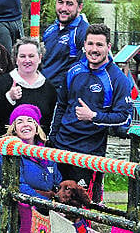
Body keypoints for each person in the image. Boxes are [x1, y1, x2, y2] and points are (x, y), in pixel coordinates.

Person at [48, 24, 132, 203]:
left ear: (109, 47)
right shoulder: (73, 71)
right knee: (55, 203)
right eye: (91, 44)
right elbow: (61, 105)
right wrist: (52, 139)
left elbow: (123, 117)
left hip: (89, 154)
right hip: (61, 148)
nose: (94, 49)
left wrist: (93, 116)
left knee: (82, 206)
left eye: (100, 45)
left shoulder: (118, 79)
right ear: (84, 45)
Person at [0, 104, 61, 233]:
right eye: (20, 121)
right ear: (13, 127)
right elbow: (17, 185)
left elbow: (57, 181)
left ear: (37, 126)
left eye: (30, 121)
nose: (26, 124)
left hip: (45, 217)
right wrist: (43, 202)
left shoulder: (47, 152)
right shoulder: (6, 152)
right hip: (21, 215)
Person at [0, 37, 57, 138]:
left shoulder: (49, 89)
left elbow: (50, 122)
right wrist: (9, 98)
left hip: (38, 149)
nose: (27, 60)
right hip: (7, 146)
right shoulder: (2, 82)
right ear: (16, 59)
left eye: (31, 56)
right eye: (22, 56)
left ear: (40, 58)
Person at [41, 0, 89, 91]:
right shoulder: (50, 30)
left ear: (80, 7)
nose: (63, 8)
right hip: (44, 92)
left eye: (69, 4)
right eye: (60, 2)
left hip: (65, 98)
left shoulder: (84, 32)